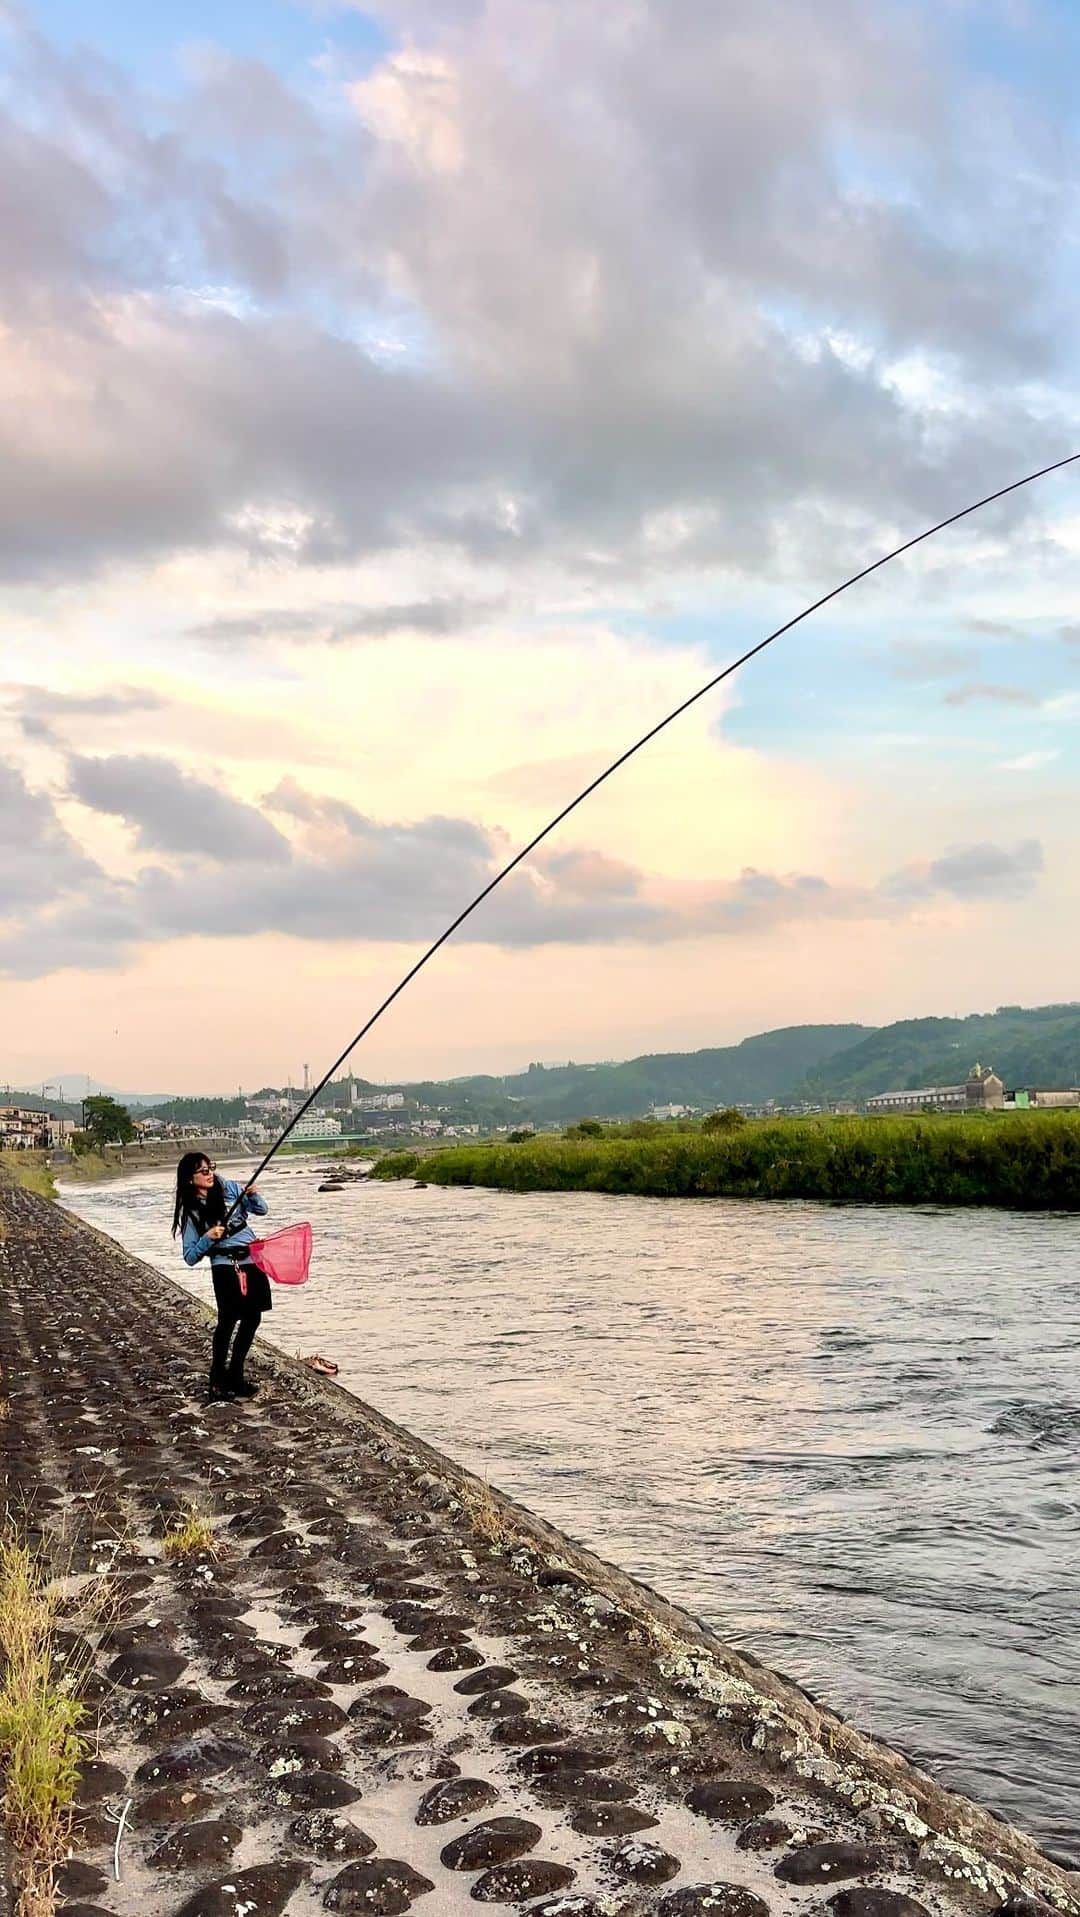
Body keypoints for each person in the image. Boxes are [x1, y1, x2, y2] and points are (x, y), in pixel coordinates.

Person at [172, 1153, 270, 1402]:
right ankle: (217, 1378)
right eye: (202, 1171)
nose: (209, 1174)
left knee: (253, 1318)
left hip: (251, 1260)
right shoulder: (191, 1214)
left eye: (210, 1168)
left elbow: (262, 1209)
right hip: (224, 1267)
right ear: (190, 1180)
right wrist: (209, 1237)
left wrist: (251, 1195)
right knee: (227, 1322)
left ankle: (236, 1374)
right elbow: (190, 1256)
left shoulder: (230, 1189)